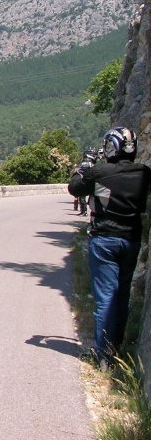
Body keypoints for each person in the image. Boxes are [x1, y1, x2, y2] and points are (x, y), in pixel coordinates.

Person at [68, 127, 151, 369]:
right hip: (132, 239)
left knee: (105, 298)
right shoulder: (144, 173)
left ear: (110, 147)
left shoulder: (100, 172)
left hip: (104, 239)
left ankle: (103, 354)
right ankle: (116, 350)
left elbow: (75, 187)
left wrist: (86, 163)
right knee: (121, 297)